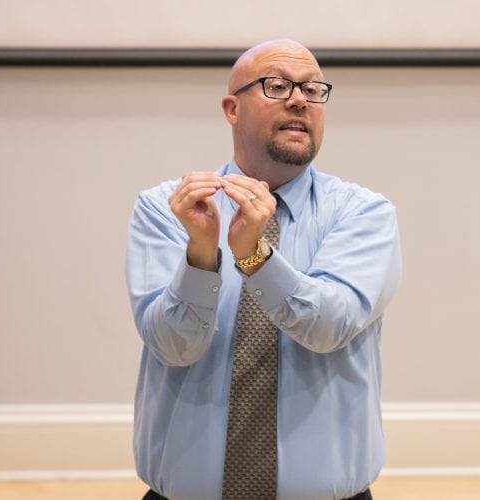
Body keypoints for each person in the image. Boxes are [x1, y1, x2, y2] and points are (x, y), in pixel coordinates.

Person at [125, 39, 402, 500]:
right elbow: (171, 345)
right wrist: (201, 255)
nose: (299, 99)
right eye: (277, 86)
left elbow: (329, 326)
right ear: (232, 109)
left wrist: (255, 258)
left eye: (313, 90)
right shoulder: (168, 209)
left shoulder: (363, 213)